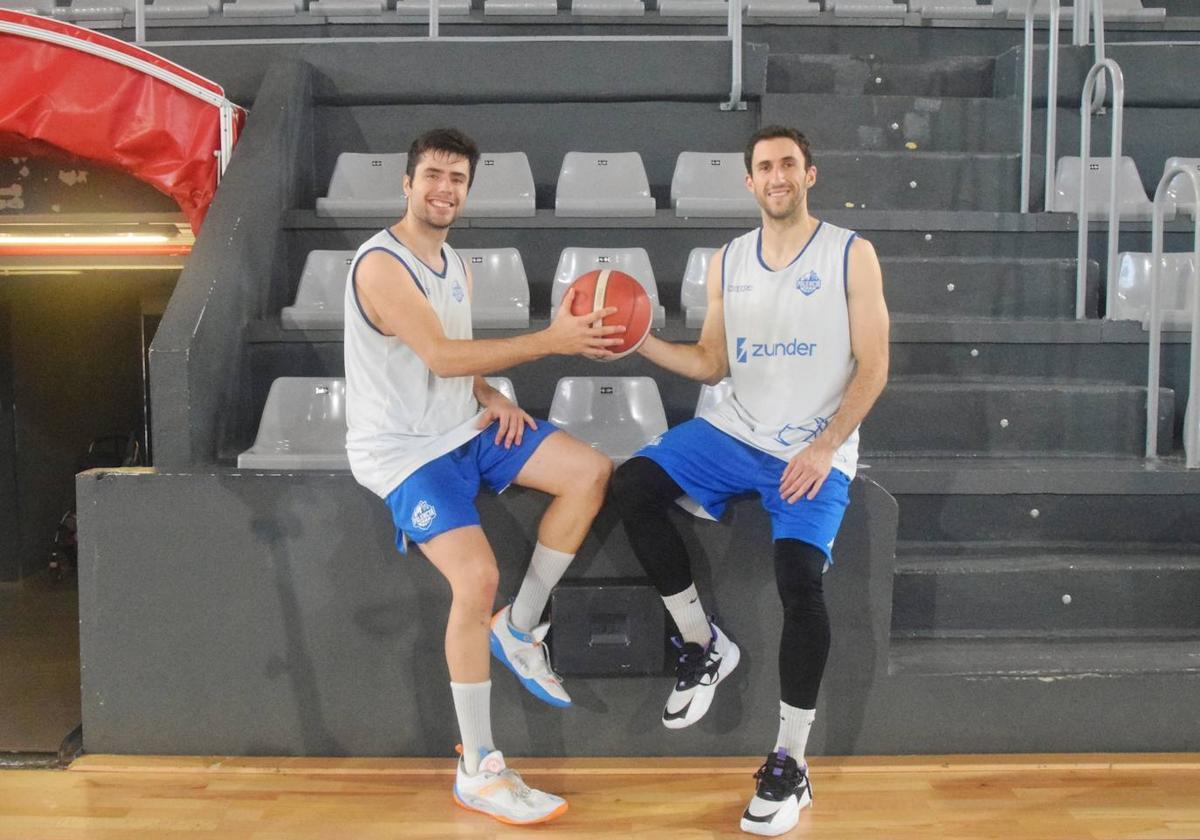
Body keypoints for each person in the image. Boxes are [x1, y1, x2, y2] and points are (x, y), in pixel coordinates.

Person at [611, 125, 890, 837]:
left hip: (812, 449)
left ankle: (789, 763)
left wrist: (827, 447)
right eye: (764, 166)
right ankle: (702, 643)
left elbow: (876, 366)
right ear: (749, 181)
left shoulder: (851, 255)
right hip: (735, 431)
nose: (777, 176)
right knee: (632, 486)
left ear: (809, 175)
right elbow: (711, 364)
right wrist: (641, 343)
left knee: (800, 581)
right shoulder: (729, 259)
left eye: (788, 164)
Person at [345, 127, 623, 826]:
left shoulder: (455, 266)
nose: (445, 190)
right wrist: (554, 341)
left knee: (590, 472)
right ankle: (478, 767)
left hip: (463, 427)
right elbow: (439, 355)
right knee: (474, 580)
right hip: (404, 452)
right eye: (433, 175)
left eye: (458, 179)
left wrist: (493, 394)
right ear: (406, 184)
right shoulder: (381, 266)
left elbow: (455, 367)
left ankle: (522, 628)